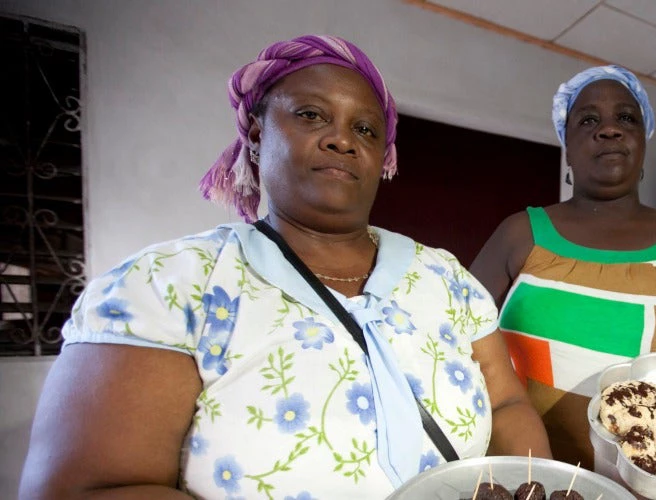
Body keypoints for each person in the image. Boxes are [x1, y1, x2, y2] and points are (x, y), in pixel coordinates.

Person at [19, 35, 549, 499]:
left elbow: (505, 404)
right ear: (255, 133)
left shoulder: (446, 279)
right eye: (311, 114)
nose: (342, 139)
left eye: (365, 129)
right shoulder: (171, 286)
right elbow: (82, 490)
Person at [469, 65, 656, 468]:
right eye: (588, 120)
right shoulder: (520, 234)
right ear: (566, 146)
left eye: (626, 118)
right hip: (538, 484)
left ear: (643, 140)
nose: (609, 129)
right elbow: (455, 348)